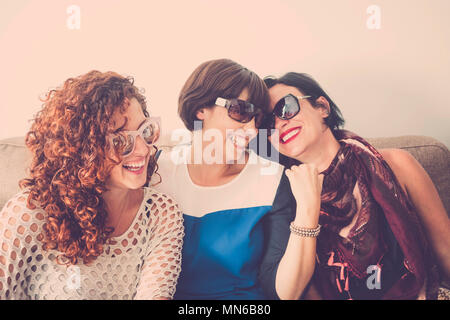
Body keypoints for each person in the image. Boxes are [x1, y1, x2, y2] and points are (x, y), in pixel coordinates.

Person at [258, 72, 450, 300]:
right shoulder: (282, 200)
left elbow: (445, 250)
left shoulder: (398, 164)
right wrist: (306, 208)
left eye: (286, 107)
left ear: (322, 107)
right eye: (268, 123)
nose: (280, 123)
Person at [0, 71, 184, 300]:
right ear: (82, 149)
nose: (143, 150)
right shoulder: (28, 213)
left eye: (145, 131)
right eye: (120, 140)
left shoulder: (159, 214)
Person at [152, 59, 307, 299]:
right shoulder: (155, 173)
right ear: (200, 108)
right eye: (240, 111)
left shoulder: (271, 180)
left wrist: (308, 210)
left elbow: (281, 291)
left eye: (258, 118)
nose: (253, 130)